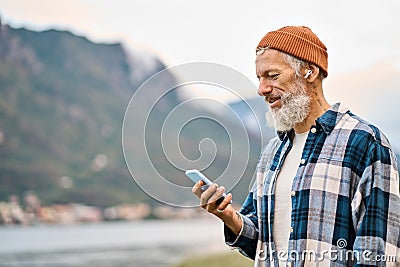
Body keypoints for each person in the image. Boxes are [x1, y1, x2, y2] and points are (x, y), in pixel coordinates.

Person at [192, 26, 400, 266]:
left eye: (272, 75)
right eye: (259, 78)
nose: (262, 89)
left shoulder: (365, 143)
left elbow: (378, 254)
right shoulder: (272, 152)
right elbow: (261, 244)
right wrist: (228, 216)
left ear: (309, 72)